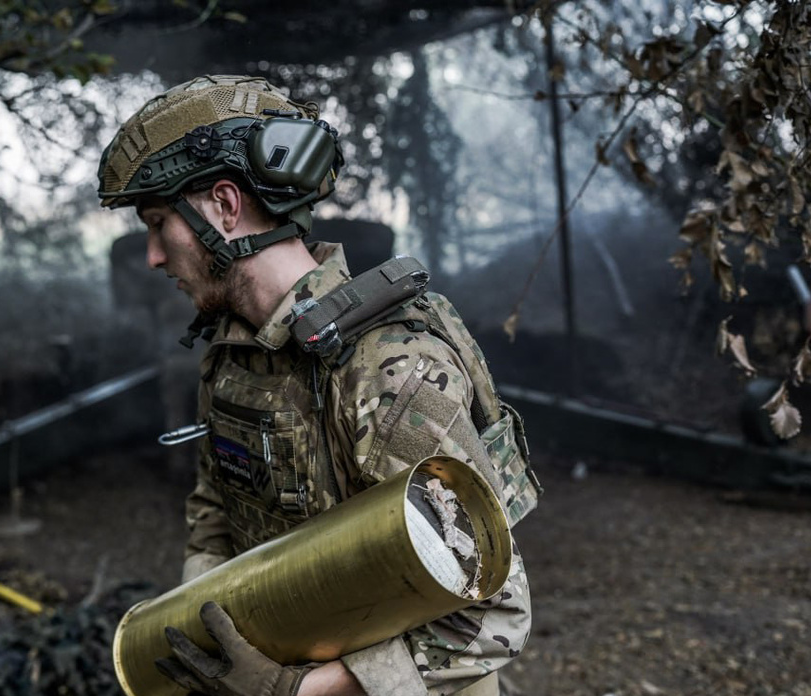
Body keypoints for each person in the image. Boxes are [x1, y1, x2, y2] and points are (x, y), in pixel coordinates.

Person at [97, 75, 538, 696]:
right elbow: (215, 509)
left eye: (158, 223)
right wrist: (209, 637)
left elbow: (494, 613)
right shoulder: (234, 351)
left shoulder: (386, 366)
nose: (152, 256)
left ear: (225, 206)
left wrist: (293, 691)